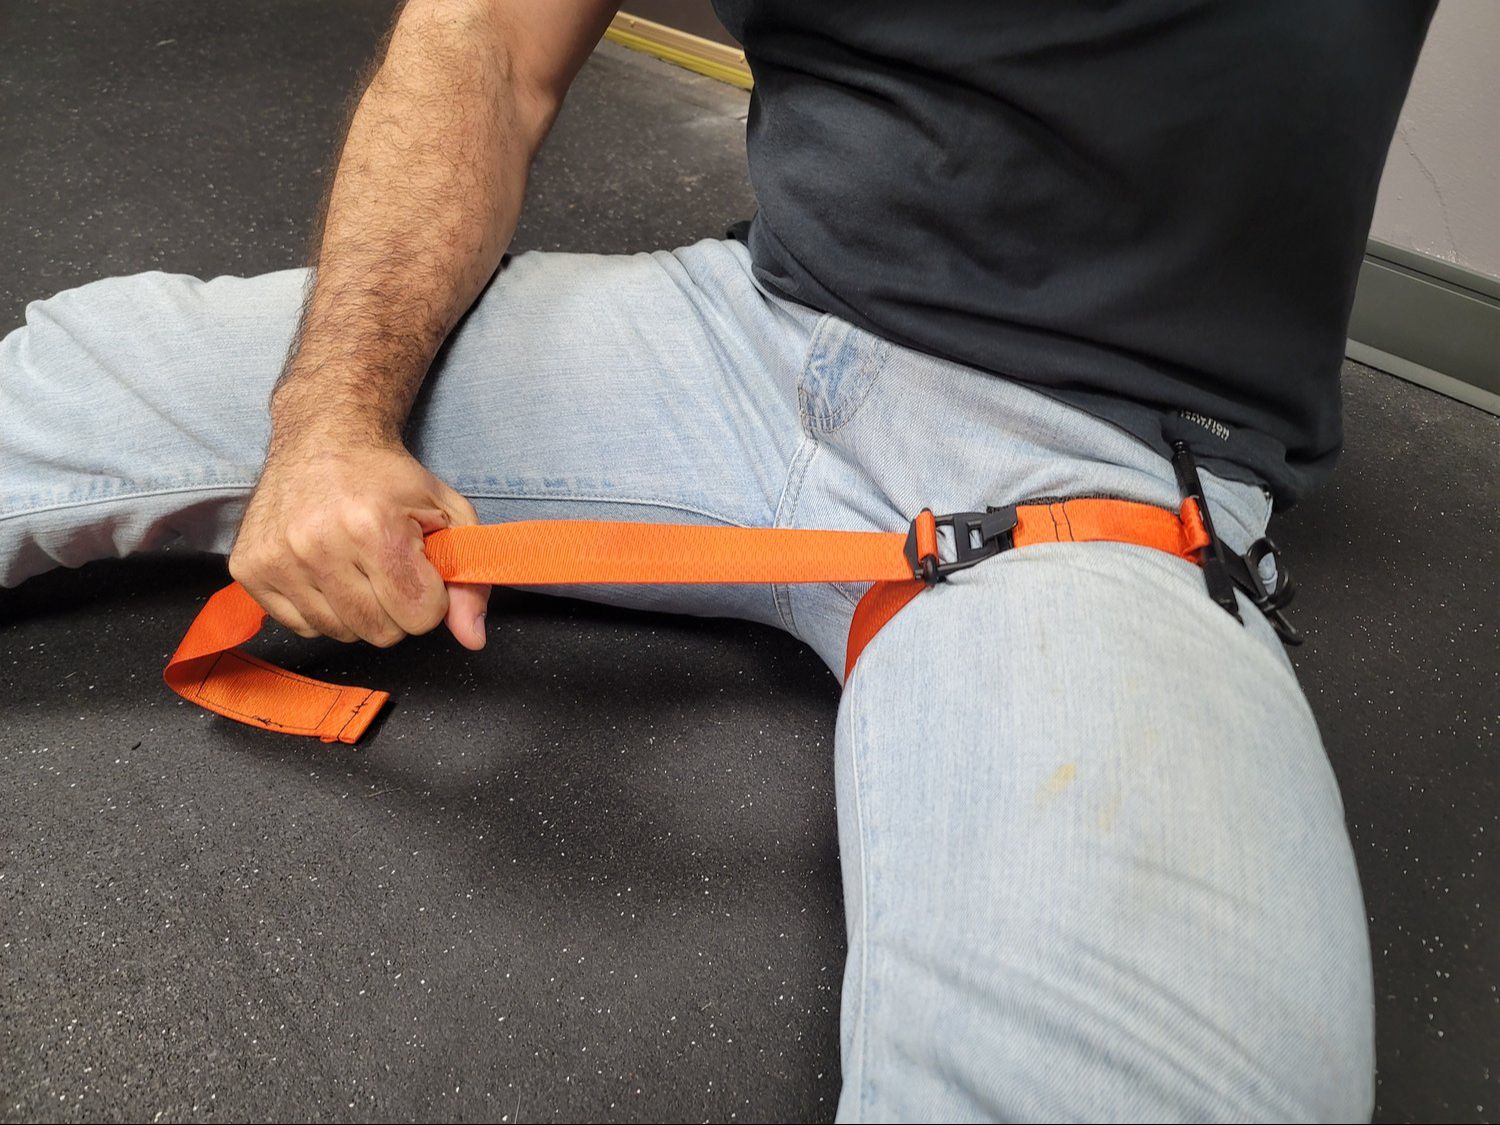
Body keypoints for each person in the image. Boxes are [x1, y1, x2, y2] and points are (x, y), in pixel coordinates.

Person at [0, 1, 1437, 1120]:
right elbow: (489, 42)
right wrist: (330, 421)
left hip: (1091, 455)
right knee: (94, 380)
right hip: (750, 332)